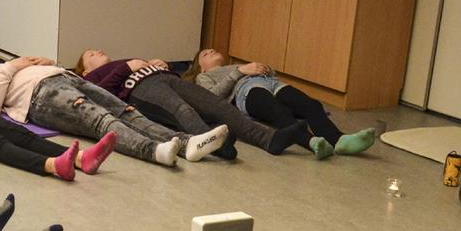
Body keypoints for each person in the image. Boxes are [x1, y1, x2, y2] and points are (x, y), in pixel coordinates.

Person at [0, 51, 230, 168]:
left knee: (126, 111)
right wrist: (11, 66)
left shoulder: (6, 68)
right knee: (101, 120)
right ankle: (154, 151)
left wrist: (43, 64)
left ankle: (184, 142)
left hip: (63, 80)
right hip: (42, 96)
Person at [74, 49, 308, 160]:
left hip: (164, 77)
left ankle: (268, 139)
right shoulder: (89, 78)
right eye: (92, 53)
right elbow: (100, 95)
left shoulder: (125, 60)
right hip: (141, 89)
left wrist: (153, 63)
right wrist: (127, 68)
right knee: (182, 110)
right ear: (85, 68)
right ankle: (214, 142)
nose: (99, 51)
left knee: (218, 106)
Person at [186, 48, 376, 159]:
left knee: (310, 105)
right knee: (277, 111)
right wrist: (241, 71)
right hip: (246, 92)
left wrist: (266, 70)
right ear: (200, 66)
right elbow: (212, 97)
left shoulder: (233, 65)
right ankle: (311, 142)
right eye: (206, 54)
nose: (211, 51)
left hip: (273, 84)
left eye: (213, 49)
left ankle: (339, 140)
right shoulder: (205, 77)